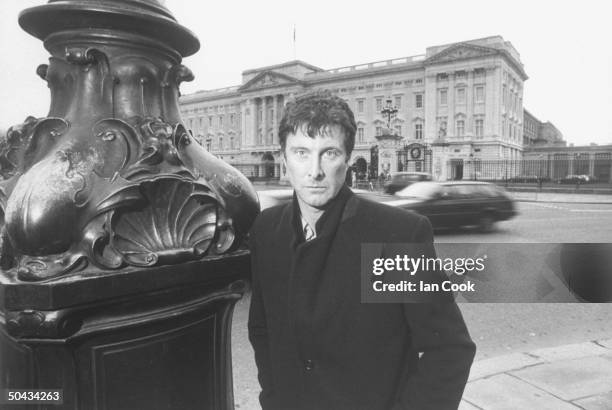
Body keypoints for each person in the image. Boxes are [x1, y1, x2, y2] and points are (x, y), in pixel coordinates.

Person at [248, 90, 475, 410]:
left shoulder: (399, 236)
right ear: (284, 160)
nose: (314, 171)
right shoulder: (265, 230)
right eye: (301, 152)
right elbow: (262, 329)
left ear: (348, 160)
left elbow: (450, 349)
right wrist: (272, 398)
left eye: (329, 153)